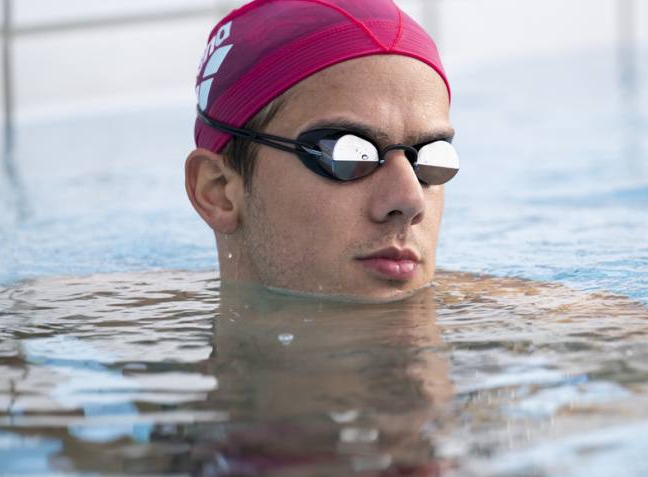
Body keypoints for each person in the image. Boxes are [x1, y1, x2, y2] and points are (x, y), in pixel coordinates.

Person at [184, 0, 458, 302]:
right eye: (349, 156)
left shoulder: (513, 326)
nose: (410, 201)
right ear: (217, 191)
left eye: (430, 157)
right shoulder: (136, 337)